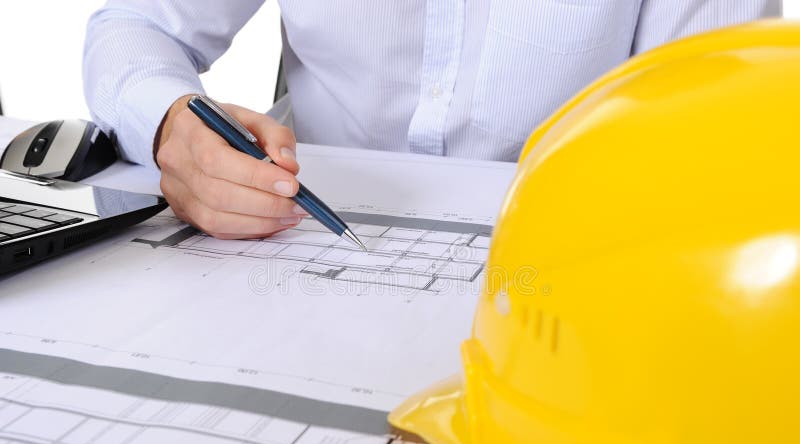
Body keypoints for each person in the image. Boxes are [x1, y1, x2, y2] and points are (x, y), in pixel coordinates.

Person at [83, 1, 780, 239]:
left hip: (564, 259)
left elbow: (707, 141)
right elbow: (138, 25)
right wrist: (174, 126)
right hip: (298, 232)